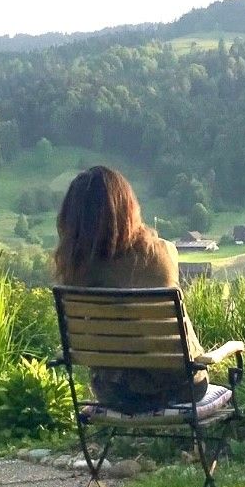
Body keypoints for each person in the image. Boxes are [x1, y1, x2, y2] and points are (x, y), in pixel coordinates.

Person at [52, 166, 207, 411]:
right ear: (129, 208)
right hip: (182, 388)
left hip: (114, 393)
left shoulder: (77, 273)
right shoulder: (162, 253)